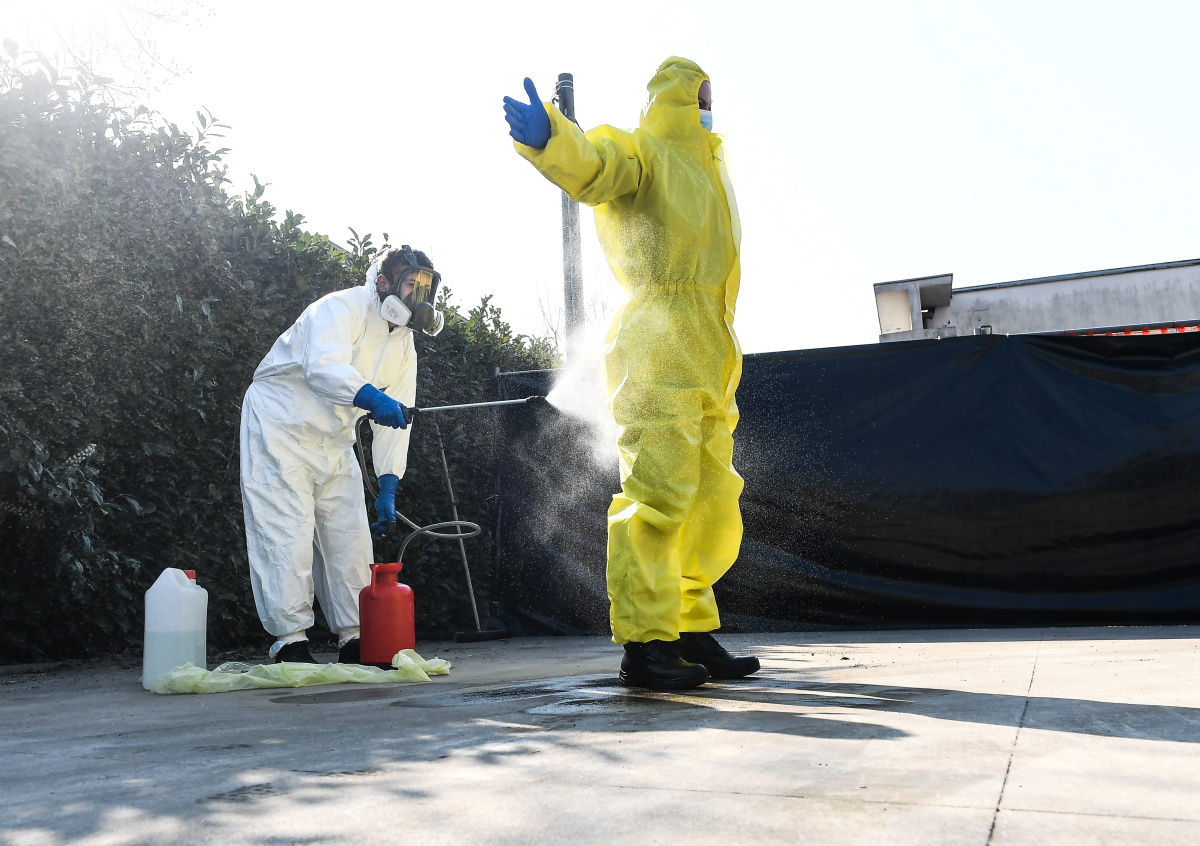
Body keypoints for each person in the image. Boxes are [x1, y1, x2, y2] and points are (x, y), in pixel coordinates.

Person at [503, 57, 759, 690]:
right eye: (700, 94)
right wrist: (553, 138)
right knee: (658, 495)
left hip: (711, 344)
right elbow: (595, 165)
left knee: (710, 500)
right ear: (677, 95)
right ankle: (646, 644)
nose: (708, 104)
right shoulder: (645, 151)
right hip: (656, 344)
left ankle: (690, 628)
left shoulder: (712, 164)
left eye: (711, 95)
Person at [239, 246, 444, 663]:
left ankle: (355, 637)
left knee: (350, 537)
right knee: (286, 532)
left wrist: (388, 484)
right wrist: (371, 397)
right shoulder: (337, 308)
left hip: (333, 438)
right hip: (280, 427)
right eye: (411, 284)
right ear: (384, 284)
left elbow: (399, 416)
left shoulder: (404, 345)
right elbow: (323, 368)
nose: (419, 297)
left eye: (426, 288)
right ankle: (290, 640)